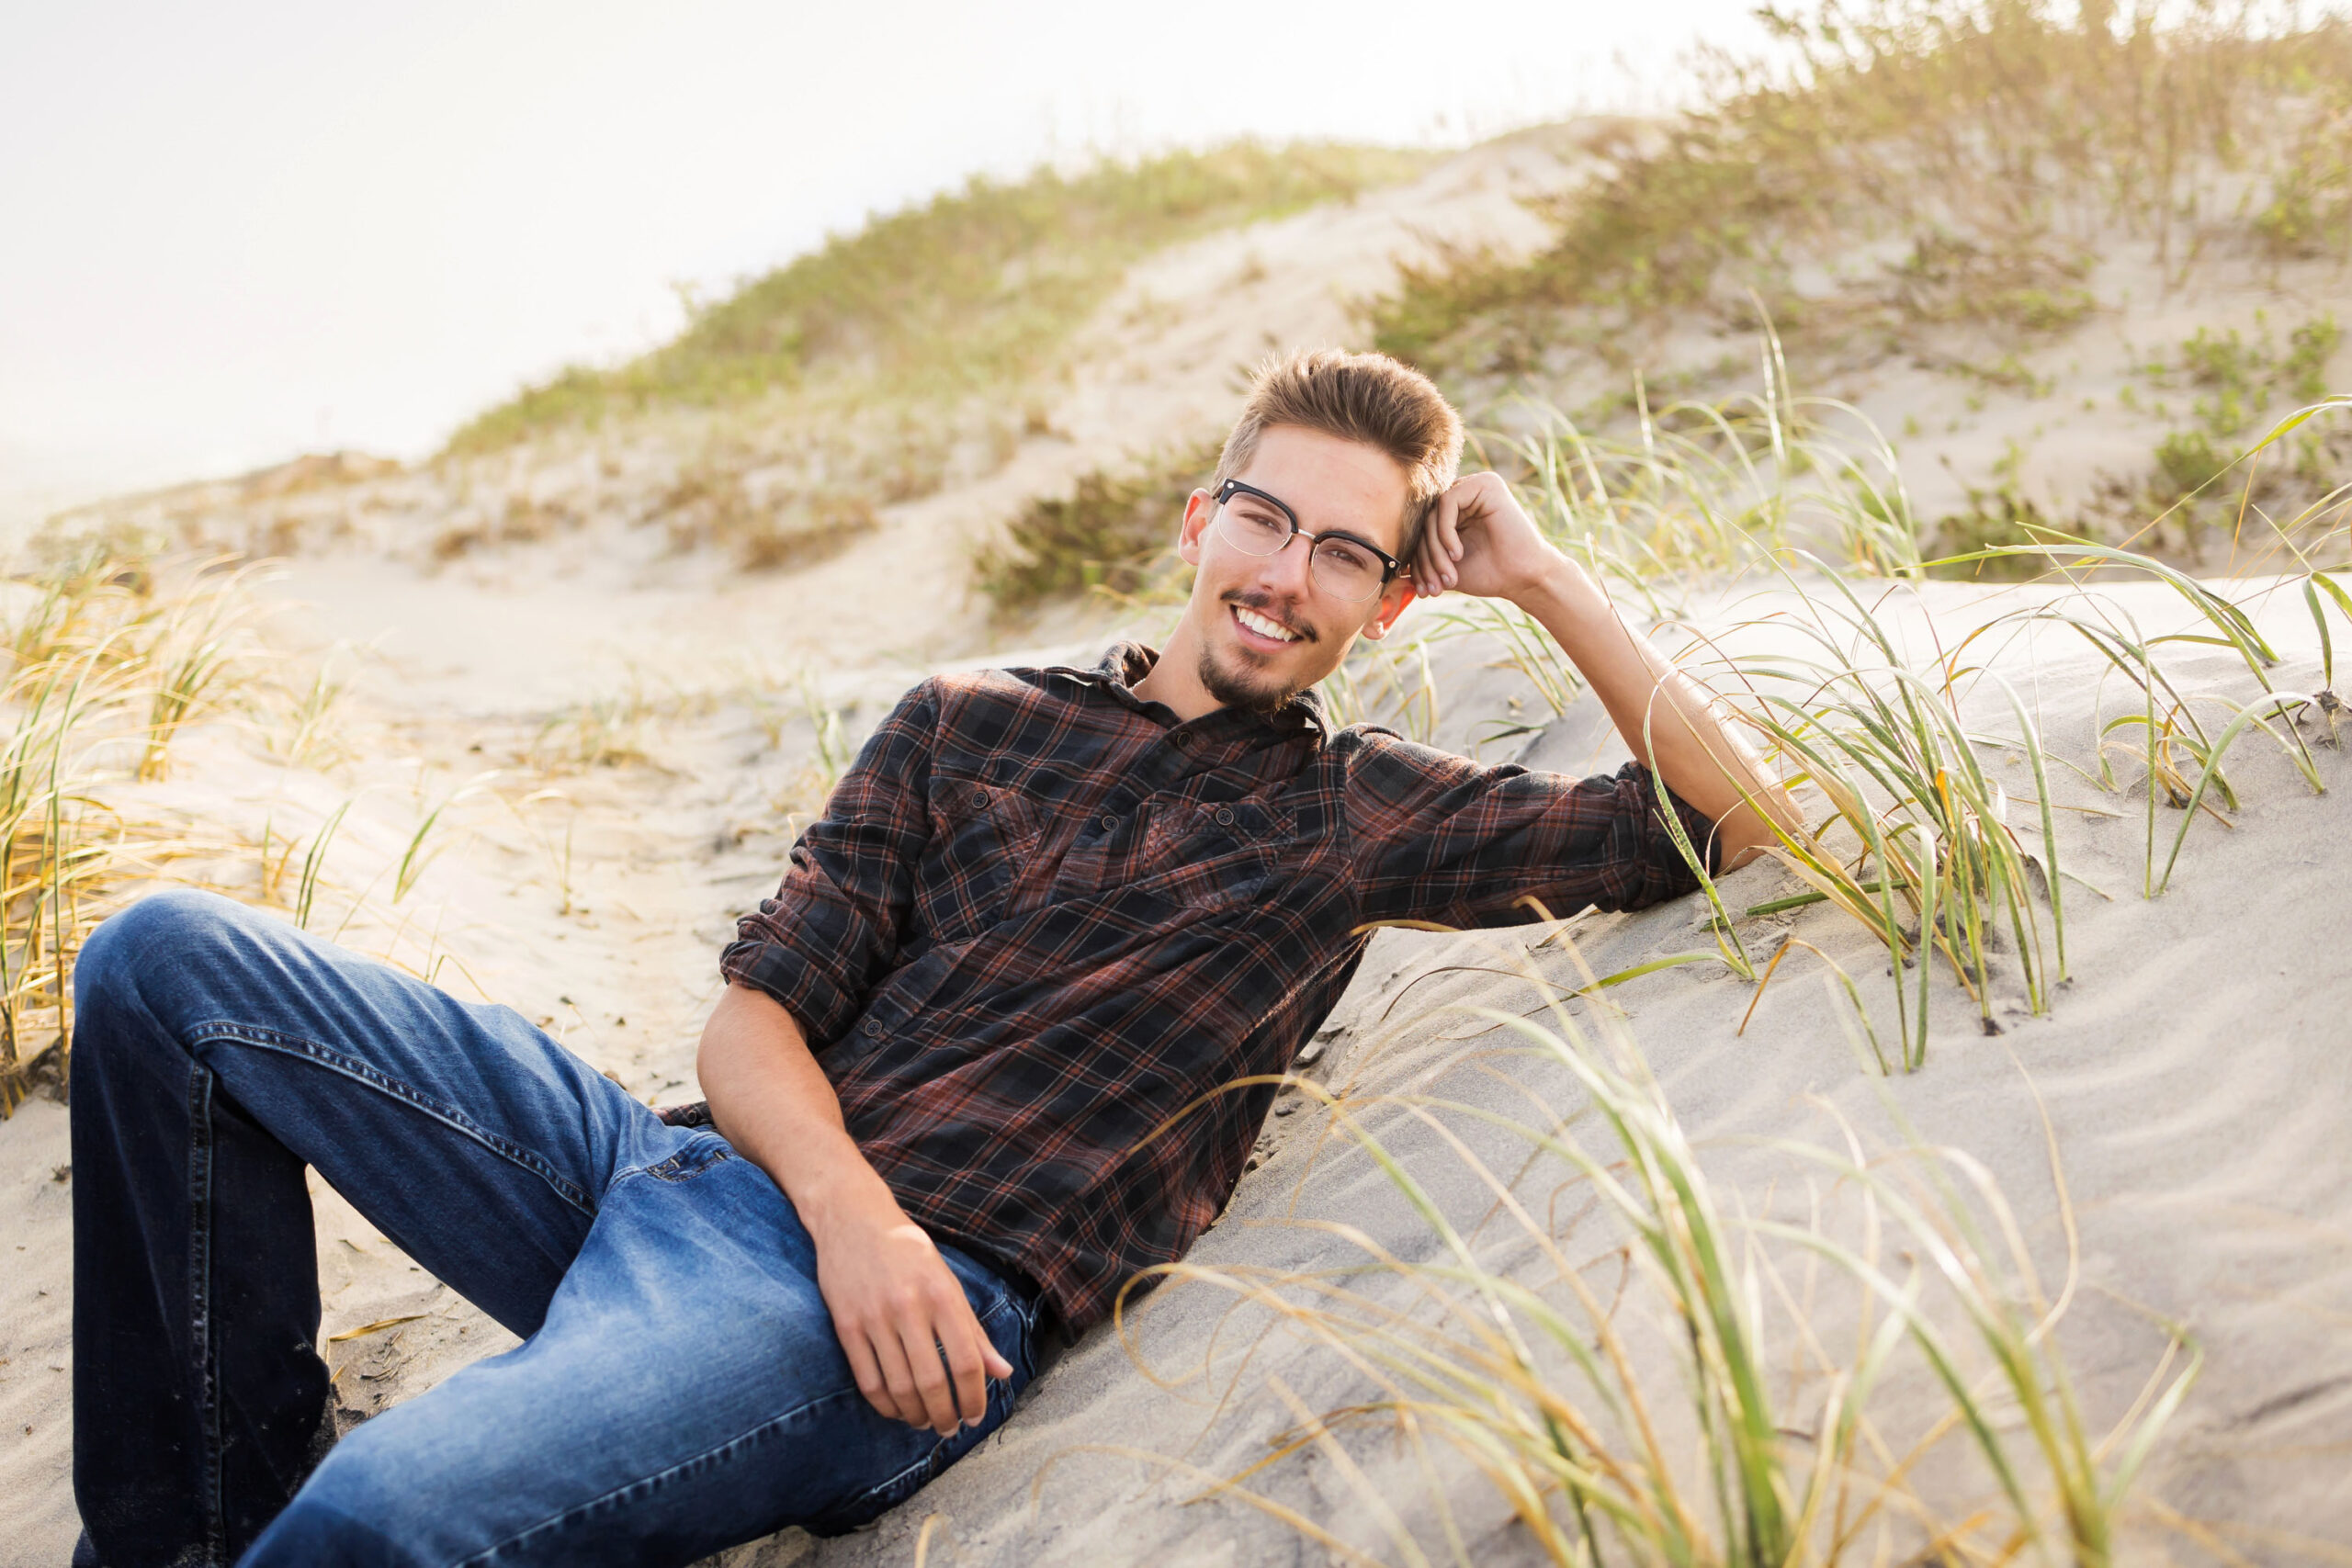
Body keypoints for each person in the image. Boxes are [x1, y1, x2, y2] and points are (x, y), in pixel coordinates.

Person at [66, 348, 1801, 1567]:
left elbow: (1744, 829)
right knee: (164, 962)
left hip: (878, 1316)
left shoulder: (1357, 814)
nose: (1288, 577)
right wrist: (848, 1205)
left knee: (387, 1525)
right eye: (1267, 523)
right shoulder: (966, 717)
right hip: (703, 1177)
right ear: (1199, 523)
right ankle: (183, 1535)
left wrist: (1548, 573)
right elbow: (756, 1022)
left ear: (1389, 608)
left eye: (1347, 554)